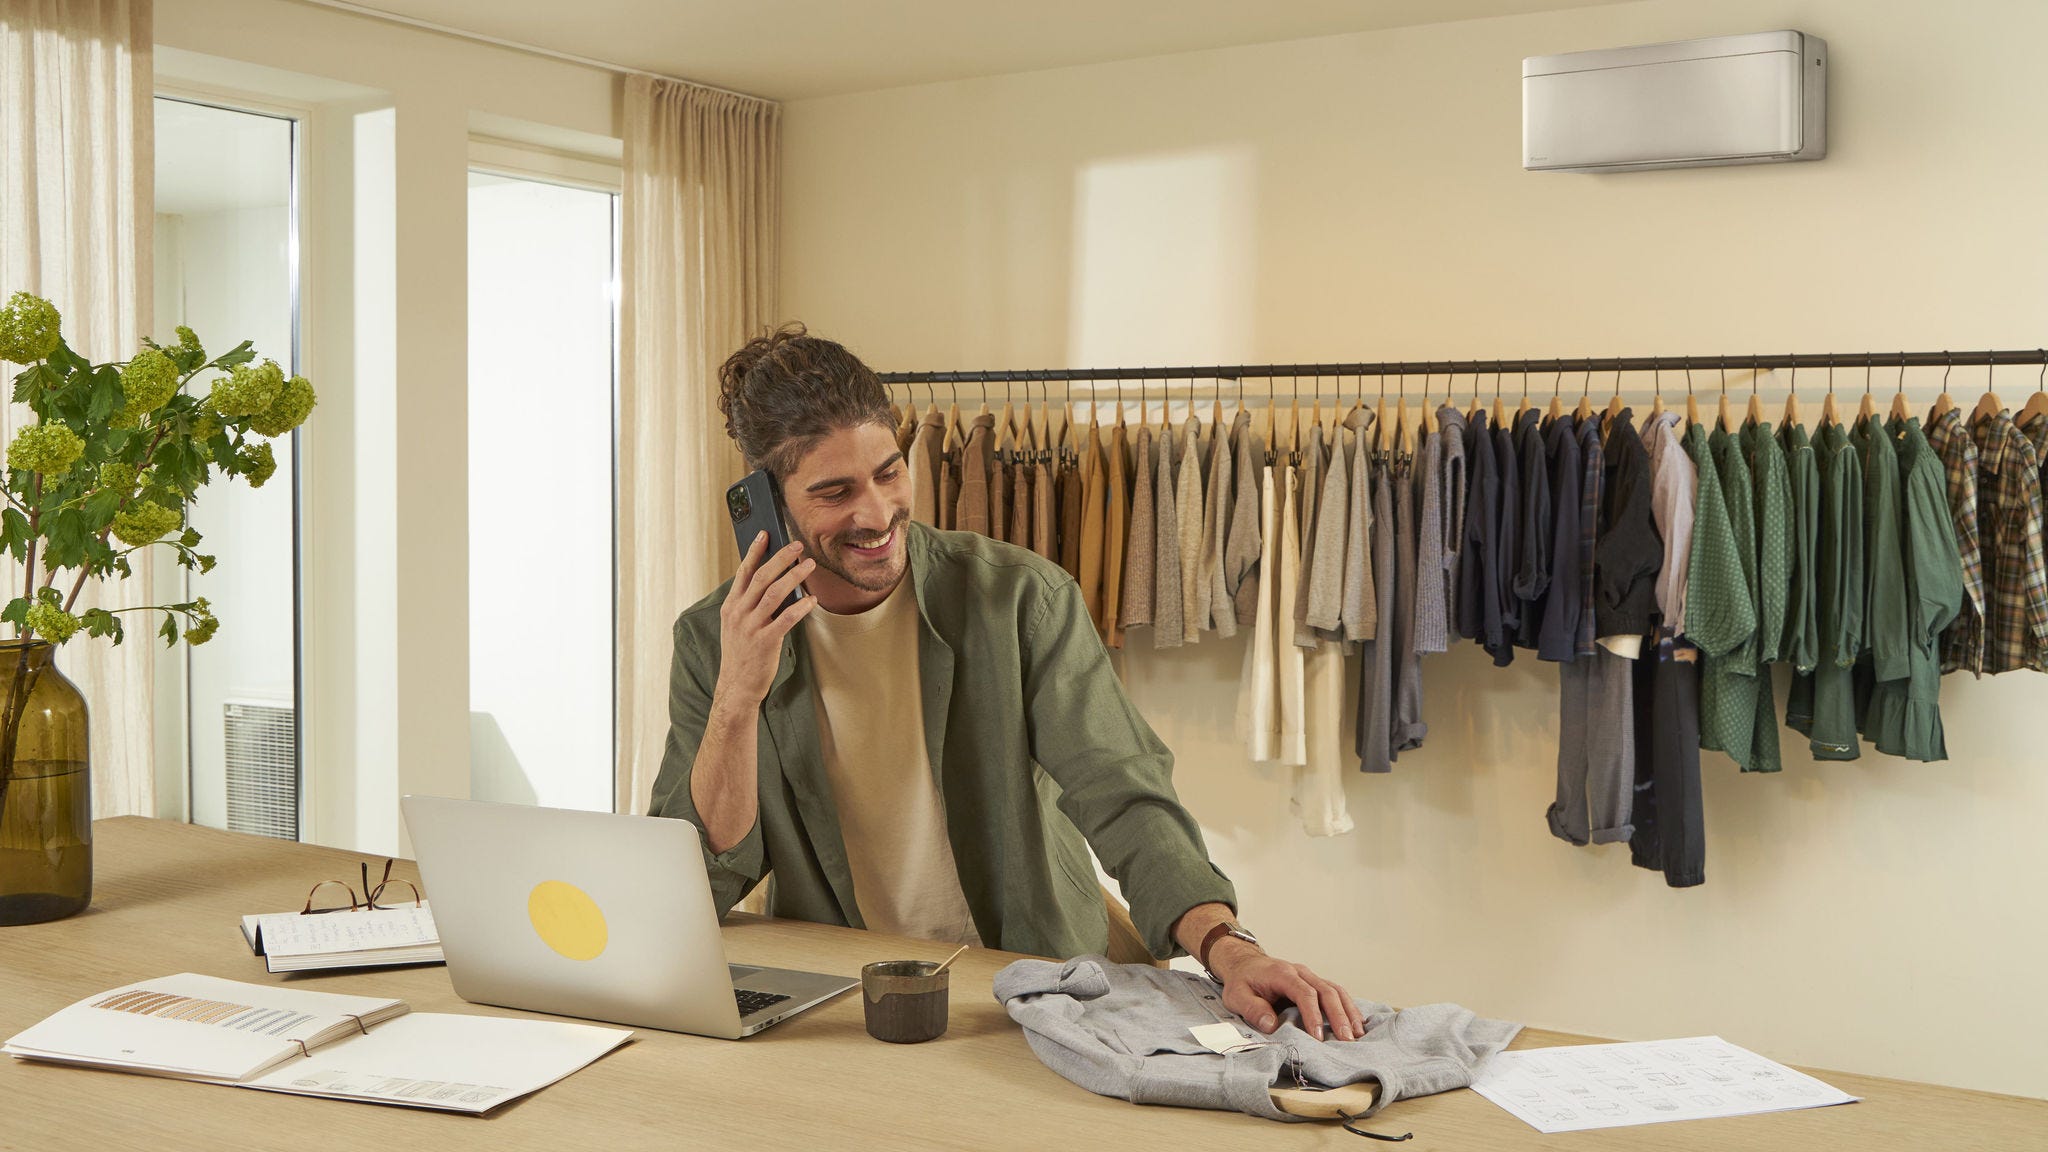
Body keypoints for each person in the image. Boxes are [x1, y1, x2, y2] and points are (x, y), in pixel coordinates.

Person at [650, 324, 1365, 1041]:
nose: (876, 514)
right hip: (849, 1005)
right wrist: (738, 695)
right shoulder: (716, 639)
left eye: (890, 473)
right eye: (835, 492)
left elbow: (1123, 794)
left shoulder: (1020, 599)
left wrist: (1228, 948)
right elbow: (698, 882)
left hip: (1031, 989)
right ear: (766, 504)